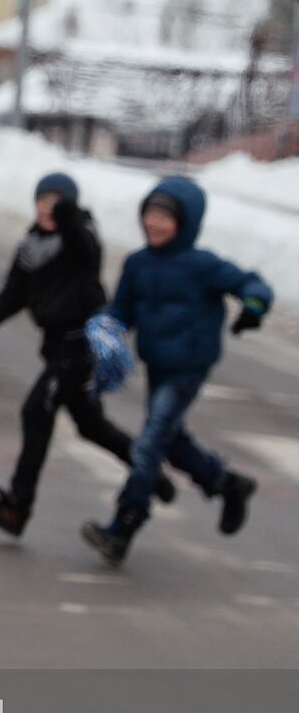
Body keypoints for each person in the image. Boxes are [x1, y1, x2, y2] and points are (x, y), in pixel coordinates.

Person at [0, 172, 174, 538]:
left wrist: (69, 214)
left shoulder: (80, 240)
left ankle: (17, 507)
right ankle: (150, 473)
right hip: (57, 347)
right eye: (41, 200)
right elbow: (14, 294)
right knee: (91, 426)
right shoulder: (31, 246)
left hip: (80, 347)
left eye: (55, 201)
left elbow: (86, 249)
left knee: (36, 410)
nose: (46, 208)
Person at [81, 177, 273, 564]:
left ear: (186, 223)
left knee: (150, 442)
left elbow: (251, 283)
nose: (154, 222)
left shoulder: (203, 265)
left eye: (165, 217)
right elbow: (121, 310)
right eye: (150, 213)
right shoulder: (137, 264)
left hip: (188, 367)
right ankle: (226, 483)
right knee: (169, 440)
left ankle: (123, 526)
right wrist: (104, 330)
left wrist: (253, 307)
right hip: (158, 363)